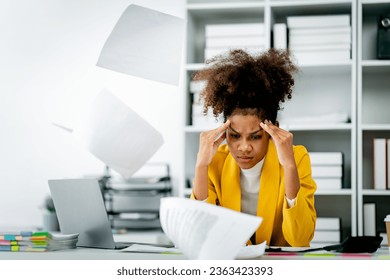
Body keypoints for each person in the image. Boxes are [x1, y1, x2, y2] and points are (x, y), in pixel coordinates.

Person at [190, 48, 317, 247]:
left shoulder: (296, 158)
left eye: (256, 136)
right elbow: (200, 236)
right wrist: (200, 167)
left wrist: (289, 167)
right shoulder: (215, 161)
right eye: (234, 136)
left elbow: (300, 239)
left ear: (271, 131)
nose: (244, 147)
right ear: (224, 133)